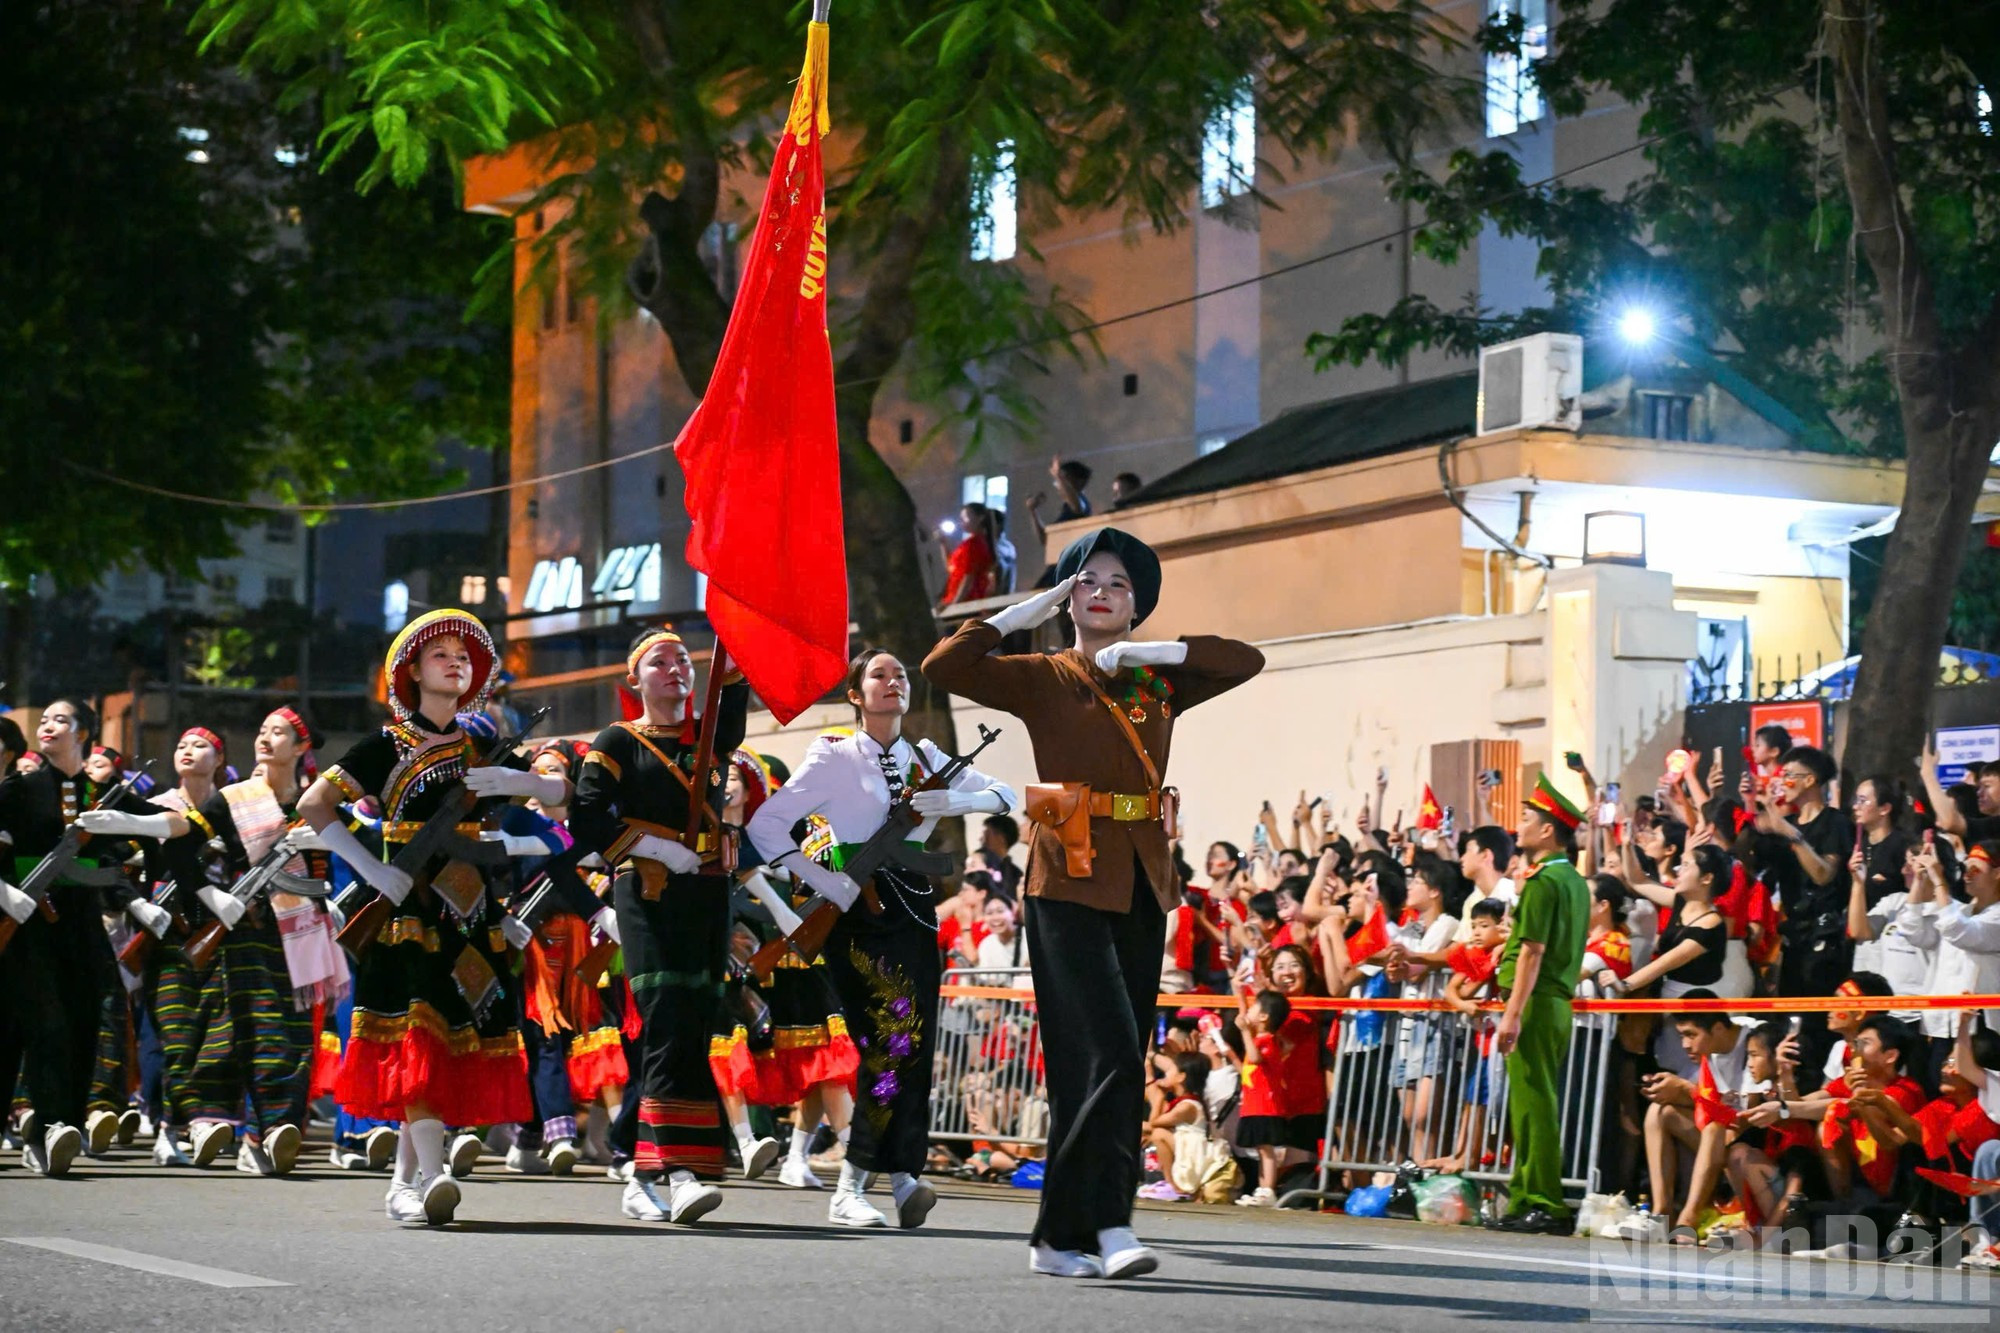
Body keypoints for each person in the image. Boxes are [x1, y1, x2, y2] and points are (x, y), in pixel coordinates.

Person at [924, 525, 1263, 1279]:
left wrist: (1155, 653)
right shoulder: (1044, 673)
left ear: (1138, 602)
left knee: (1107, 1062)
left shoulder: (1154, 680)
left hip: (1144, 879)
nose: (1101, 591)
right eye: (1086, 580)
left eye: (1117, 582)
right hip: (1066, 880)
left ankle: (1056, 1239)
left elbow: (1247, 659)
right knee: (1104, 1053)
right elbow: (945, 663)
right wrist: (1023, 609)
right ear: (1066, 598)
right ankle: (1108, 1225)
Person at [298, 610, 562, 1226]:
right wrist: (370, 868)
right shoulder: (386, 743)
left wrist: (511, 776)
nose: (454, 662)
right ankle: (434, 1176)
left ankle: (402, 1187)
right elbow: (315, 805)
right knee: (417, 1039)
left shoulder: (478, 746)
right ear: (412, 671)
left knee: (447, 1048)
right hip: (409, 914)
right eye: (439, 653)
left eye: (463, 657)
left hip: (471, 918)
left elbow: (558, 798)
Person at [747, 647, 1016, 1230]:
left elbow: (1008, 796)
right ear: (855, 694)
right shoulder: (834, 755)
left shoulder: (925, 755)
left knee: (914, 1044)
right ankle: (854, 1183)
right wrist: (823, 880)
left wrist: (957, 800)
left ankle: (901, 1175)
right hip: (858, 911)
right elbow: (765, 824)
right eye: (878, 675)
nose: (893, 682)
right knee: (892, 1038)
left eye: (901, 674)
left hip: (915, 909)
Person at [568, 628, 748, 1225]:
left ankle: (648, 1169)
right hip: (650, 892)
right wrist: (650, 846)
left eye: (682, 661)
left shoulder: (710, 738)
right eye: (659, 663)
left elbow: (736, 688)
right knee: (667, 1017)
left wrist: (737, 641)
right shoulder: (619, 740)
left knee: (697, 1024)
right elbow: (587, 817)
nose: (675, 670)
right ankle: (674, 1171)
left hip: (708, 893)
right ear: (634, 680)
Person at [0, 698, 162, 1176]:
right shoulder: (18, 790)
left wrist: (128, 823)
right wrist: (6, 894)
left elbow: (175, 826)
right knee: (46, 1025)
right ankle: (48, 1126)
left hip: (82, 927)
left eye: (60, 720)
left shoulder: (101, 793)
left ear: (84, 734)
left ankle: (63, 1126)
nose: (48, 726)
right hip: (29, 928)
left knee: (84, 1022)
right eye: (44, 719)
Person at [1487, 773, 1591, 1235]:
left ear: (1548, 829)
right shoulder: (1571, 880)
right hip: (1549, 1002)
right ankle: (1526, 1196)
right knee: (1530, 1107)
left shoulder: (1544, 881)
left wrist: (1511, 1014)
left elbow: (1532, 951)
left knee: (1536, 1108)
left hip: (1534, 1001)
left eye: (1528, 818)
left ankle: (1546, 1202)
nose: (1520, 825)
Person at [1624, 998, 1756, 1243]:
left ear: (1717, 1028)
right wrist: (1672, 1092)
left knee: (1715, 1129)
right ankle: (1661, 1215)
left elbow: (1749, 1116)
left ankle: (1689, 1220)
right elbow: (1709, 1101)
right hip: (1723, 1140)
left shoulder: (1754, 1040)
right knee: (1659, 1111)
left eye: (1690, 1035)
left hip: (1752, 1144)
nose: (1685, 1045)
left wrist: (1687, 1090)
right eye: (1681, 1035)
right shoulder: (1709, 1050)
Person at [1454, 826, 1516, 944]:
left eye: (1468, 850)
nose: (1462, 858)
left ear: (1486, 855)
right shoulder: (1472, 900)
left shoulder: (1511, 894)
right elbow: (1461, 945)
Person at [938, 503, 998, 608]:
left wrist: (954, 604)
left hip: (966, 602)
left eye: (965, 517)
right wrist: (943, 544)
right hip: (963, 601)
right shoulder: (972, 543)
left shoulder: (973, 544)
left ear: (980, 518)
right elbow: (952, 568)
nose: (961, 522)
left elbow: (968, 578)